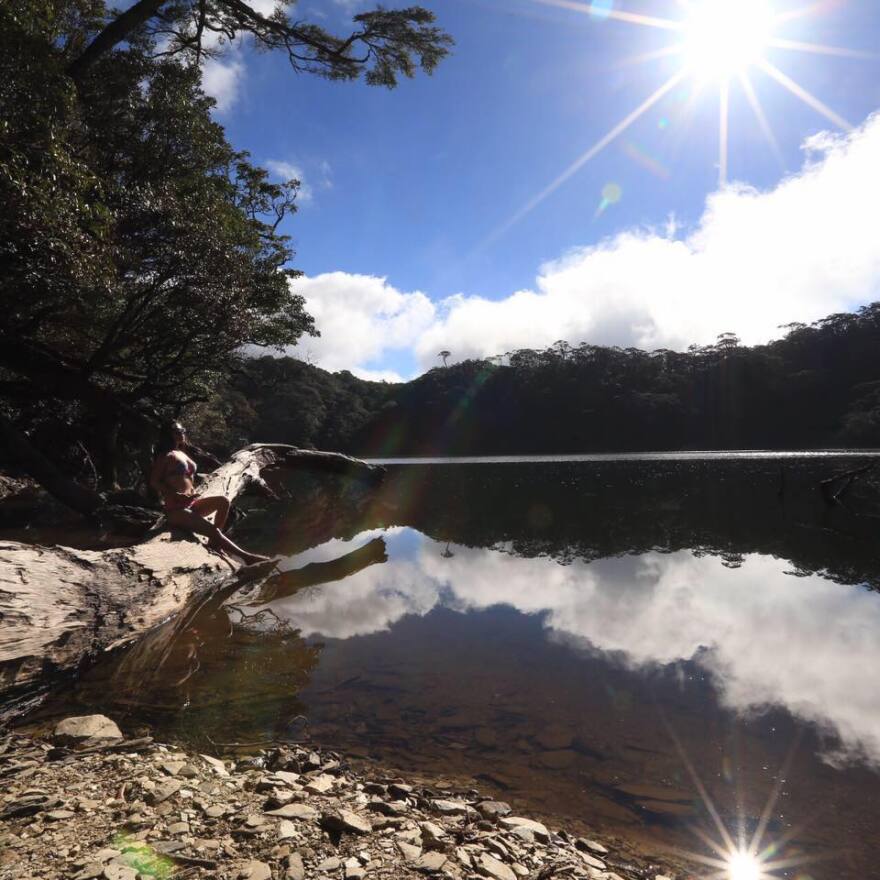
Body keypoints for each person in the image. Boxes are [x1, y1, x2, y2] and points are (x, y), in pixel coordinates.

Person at [150, 422, 271, 567]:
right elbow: (154, 481)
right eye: (180, 430)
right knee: (211, 530)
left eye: (183, 429)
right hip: (176, 509)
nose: (184, 432)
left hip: (192, 504)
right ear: (171, 433)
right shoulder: (165, 456)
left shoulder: (181, 453)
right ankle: (247, 557)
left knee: (223, 501)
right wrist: (175, 494)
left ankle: (215, 543)